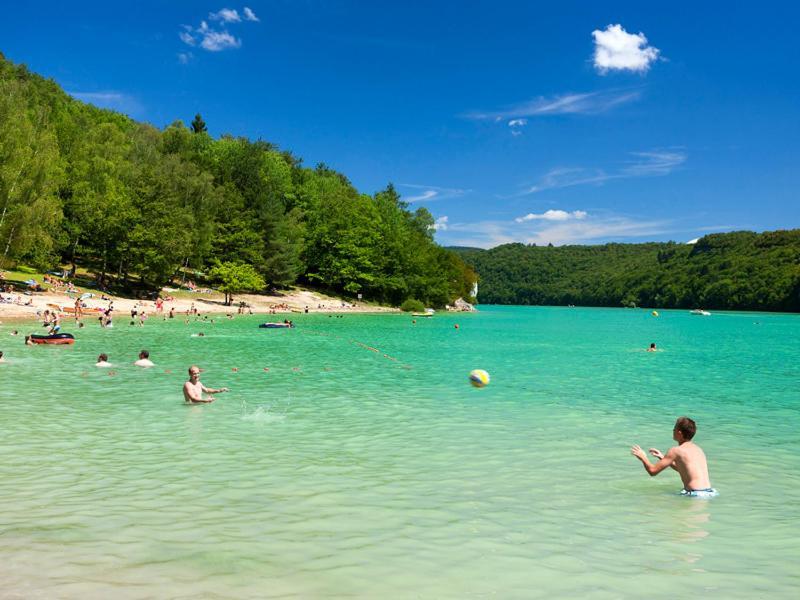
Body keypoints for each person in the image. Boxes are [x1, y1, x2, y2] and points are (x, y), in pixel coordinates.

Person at [631, 416, 716, 498]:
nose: (673, 431)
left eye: (674, 429)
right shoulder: (698, 450)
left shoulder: (675, 450)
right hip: (710, 493)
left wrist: (643, 457)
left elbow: (652, 471)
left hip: (694, 494)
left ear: (679, 433)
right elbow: (685, 470)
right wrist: (662, 457)